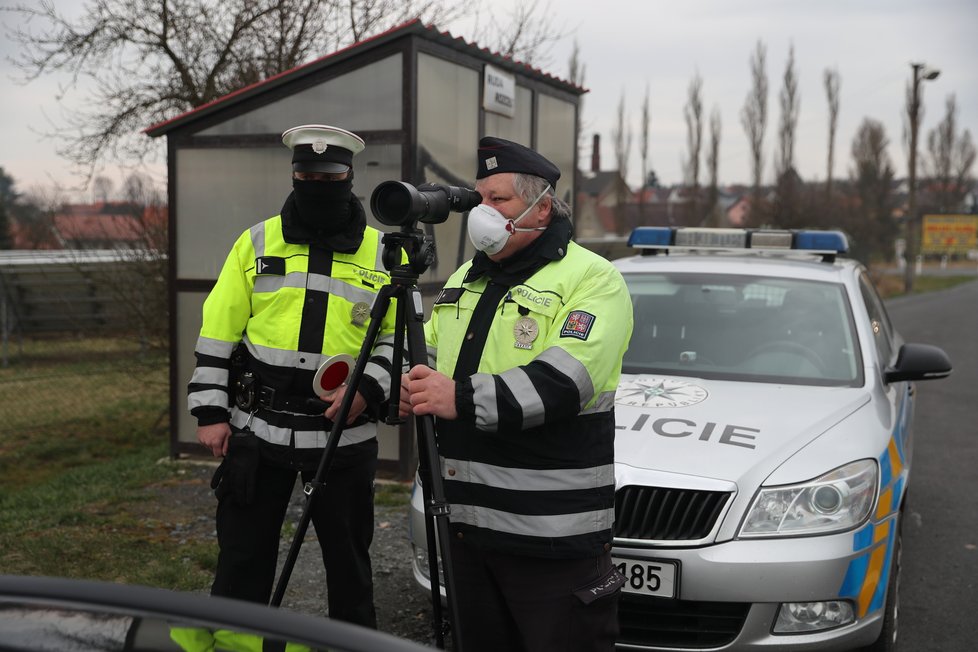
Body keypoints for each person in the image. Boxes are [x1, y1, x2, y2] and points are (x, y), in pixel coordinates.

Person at [400, 137, 634, 652]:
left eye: (499, 200)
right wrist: (406, 388)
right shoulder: (466, 278)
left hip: (550, 536)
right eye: (479, 198)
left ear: (541, 206)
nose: (483, 212)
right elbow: (431, 359)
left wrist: (457, 398)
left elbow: (563, 382)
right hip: (464, 527)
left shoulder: (593, 280)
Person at [187, 124, 399, 628]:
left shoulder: (386, 253)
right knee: (241, 563)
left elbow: (404, 341)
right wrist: (212, 412)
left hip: (342, 439)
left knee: (349, 569)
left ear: (349, 177)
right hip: (258, 432)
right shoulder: (255, 241)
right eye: (304, 174)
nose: (314, 183)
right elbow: (219, 330)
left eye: (327, 175)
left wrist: (368, 389)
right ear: (294, 176)